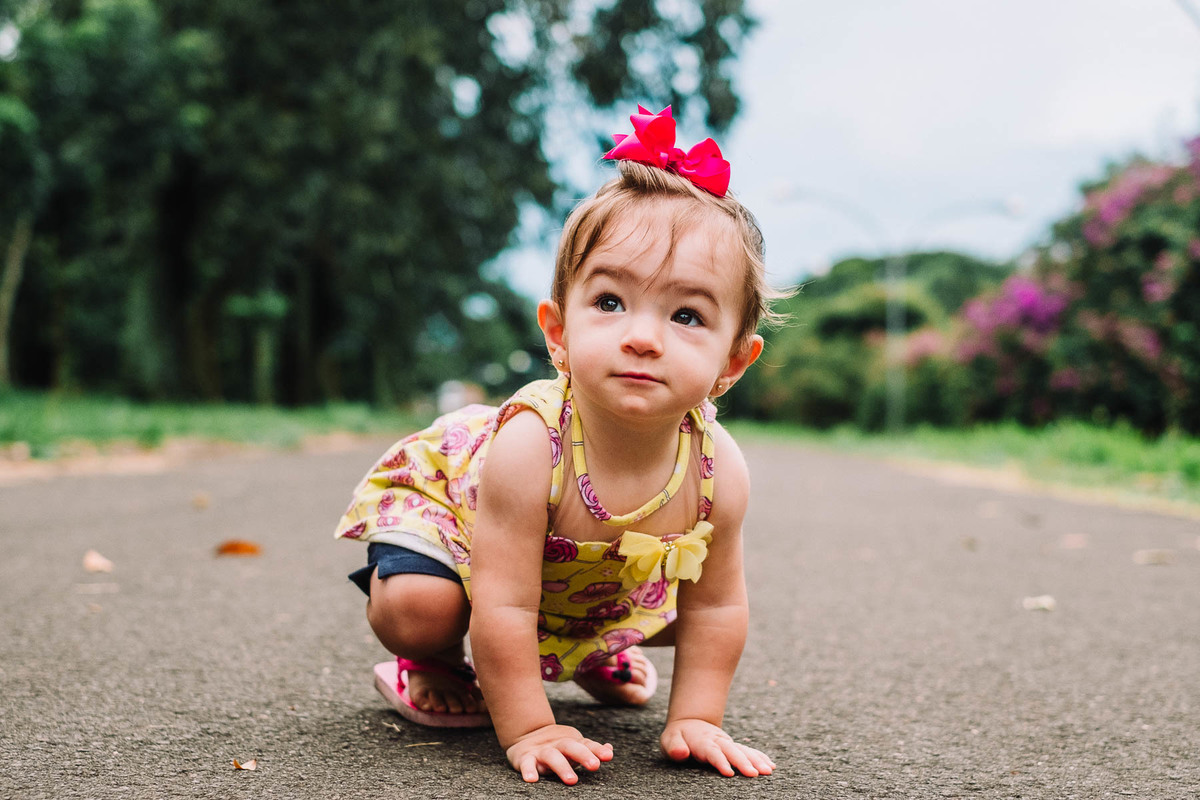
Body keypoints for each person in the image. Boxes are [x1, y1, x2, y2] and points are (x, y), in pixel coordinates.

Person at [335, 105, 784, 784]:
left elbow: (718, 606)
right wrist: (532, 727)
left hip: (582, 579)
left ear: (734, 362)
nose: (642, 336)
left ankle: (592, 650)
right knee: (421, 611)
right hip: (462, 530)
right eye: (609, 302)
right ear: (557, 331)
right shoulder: (530, 448)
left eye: (687, 315)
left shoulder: (719, 468)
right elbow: (504, 602)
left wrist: (697, 716)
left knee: (687, 610)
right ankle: (427, 662)